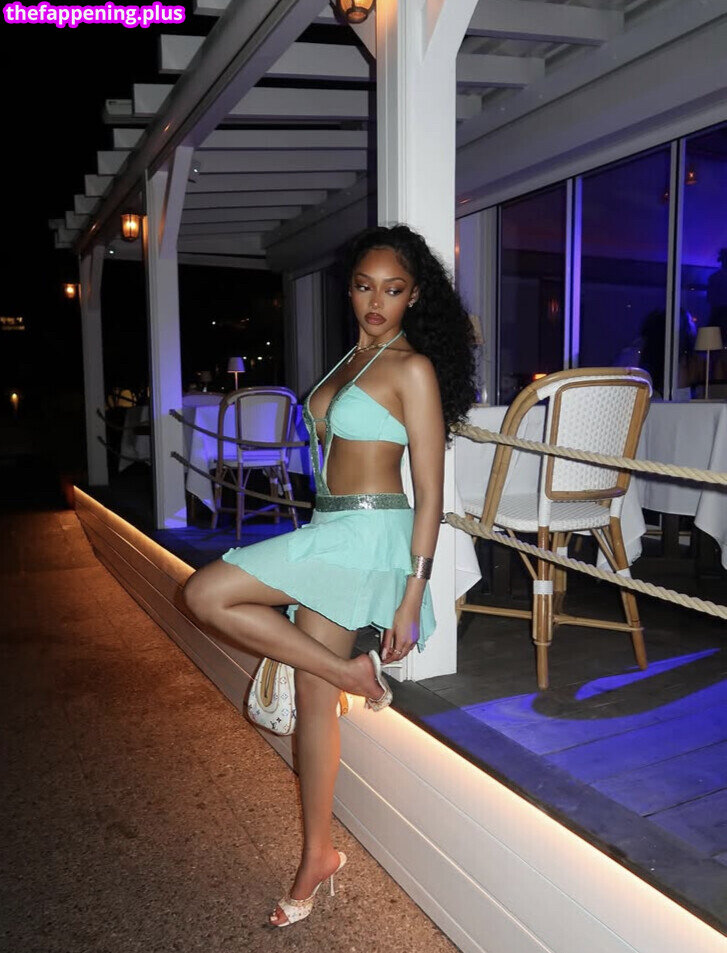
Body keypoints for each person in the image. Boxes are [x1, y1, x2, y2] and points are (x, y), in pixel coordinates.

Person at [182, 224, 476, 927]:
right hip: (328, 527)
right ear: (349, 289)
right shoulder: (352, 357)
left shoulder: (411, 368)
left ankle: (348, 675)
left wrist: (413, 594)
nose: (376, 302)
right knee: (315, 701)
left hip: (369, 535)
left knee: (206, 591)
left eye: (393, 290)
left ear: (414, 297)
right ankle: (318, 854)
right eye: (365, 287)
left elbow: (430, 492)